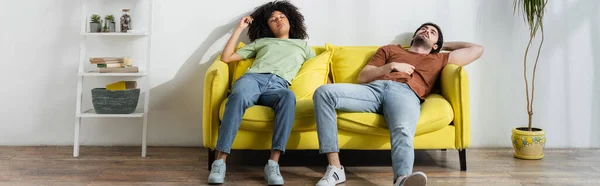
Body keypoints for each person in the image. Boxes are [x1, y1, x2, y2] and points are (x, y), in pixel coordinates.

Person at [313, 22, 484, 186]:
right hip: (373, 90)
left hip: (406, 94)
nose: (426, 31)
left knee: (403, 128)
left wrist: (441, 44)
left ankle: (402, 179)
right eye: (423, 29)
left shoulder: (439, 58)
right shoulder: (390, 49)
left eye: (432, 32)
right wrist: (391, 66)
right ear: (413, 37)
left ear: (435, 45)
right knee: (324, 93)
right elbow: (363, 77)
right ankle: (335, 169)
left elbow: (477, 49)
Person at [207, 1, 315, 185]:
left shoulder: (303, 46)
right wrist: (239, 28)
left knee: (289, 97)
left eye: (282, 17)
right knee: (238, 96)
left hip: (279, 86)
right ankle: (220, 161)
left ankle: (273, 164)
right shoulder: (262, 42)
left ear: (291, 21)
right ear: (267, 26)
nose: (278, 20)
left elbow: (318, 70)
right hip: (253, 80)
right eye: (273, 19)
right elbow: (226, 58)